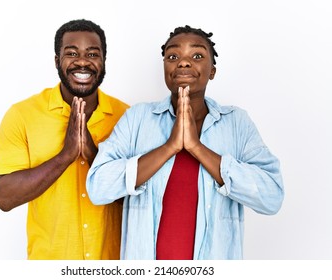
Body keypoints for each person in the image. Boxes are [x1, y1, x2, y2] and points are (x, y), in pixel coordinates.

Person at [86, 25, 284, 260]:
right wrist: (170, 147)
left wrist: (196, 148)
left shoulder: (236, 124)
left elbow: (272, 197)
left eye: (197, 55)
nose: (183, 62)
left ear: (212, 71)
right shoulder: (137, 118)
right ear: (165, 68)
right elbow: (98, 187)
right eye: (173, 56)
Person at [0, 19, 129, 260]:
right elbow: (4, 197)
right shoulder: (22, 115)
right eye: (72, 53)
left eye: (93, 53)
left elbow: (143, 198)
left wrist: (93, 156)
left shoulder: (127, 117)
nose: (83, 61)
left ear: (104, 60)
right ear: (57, 61)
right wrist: (65, 156)